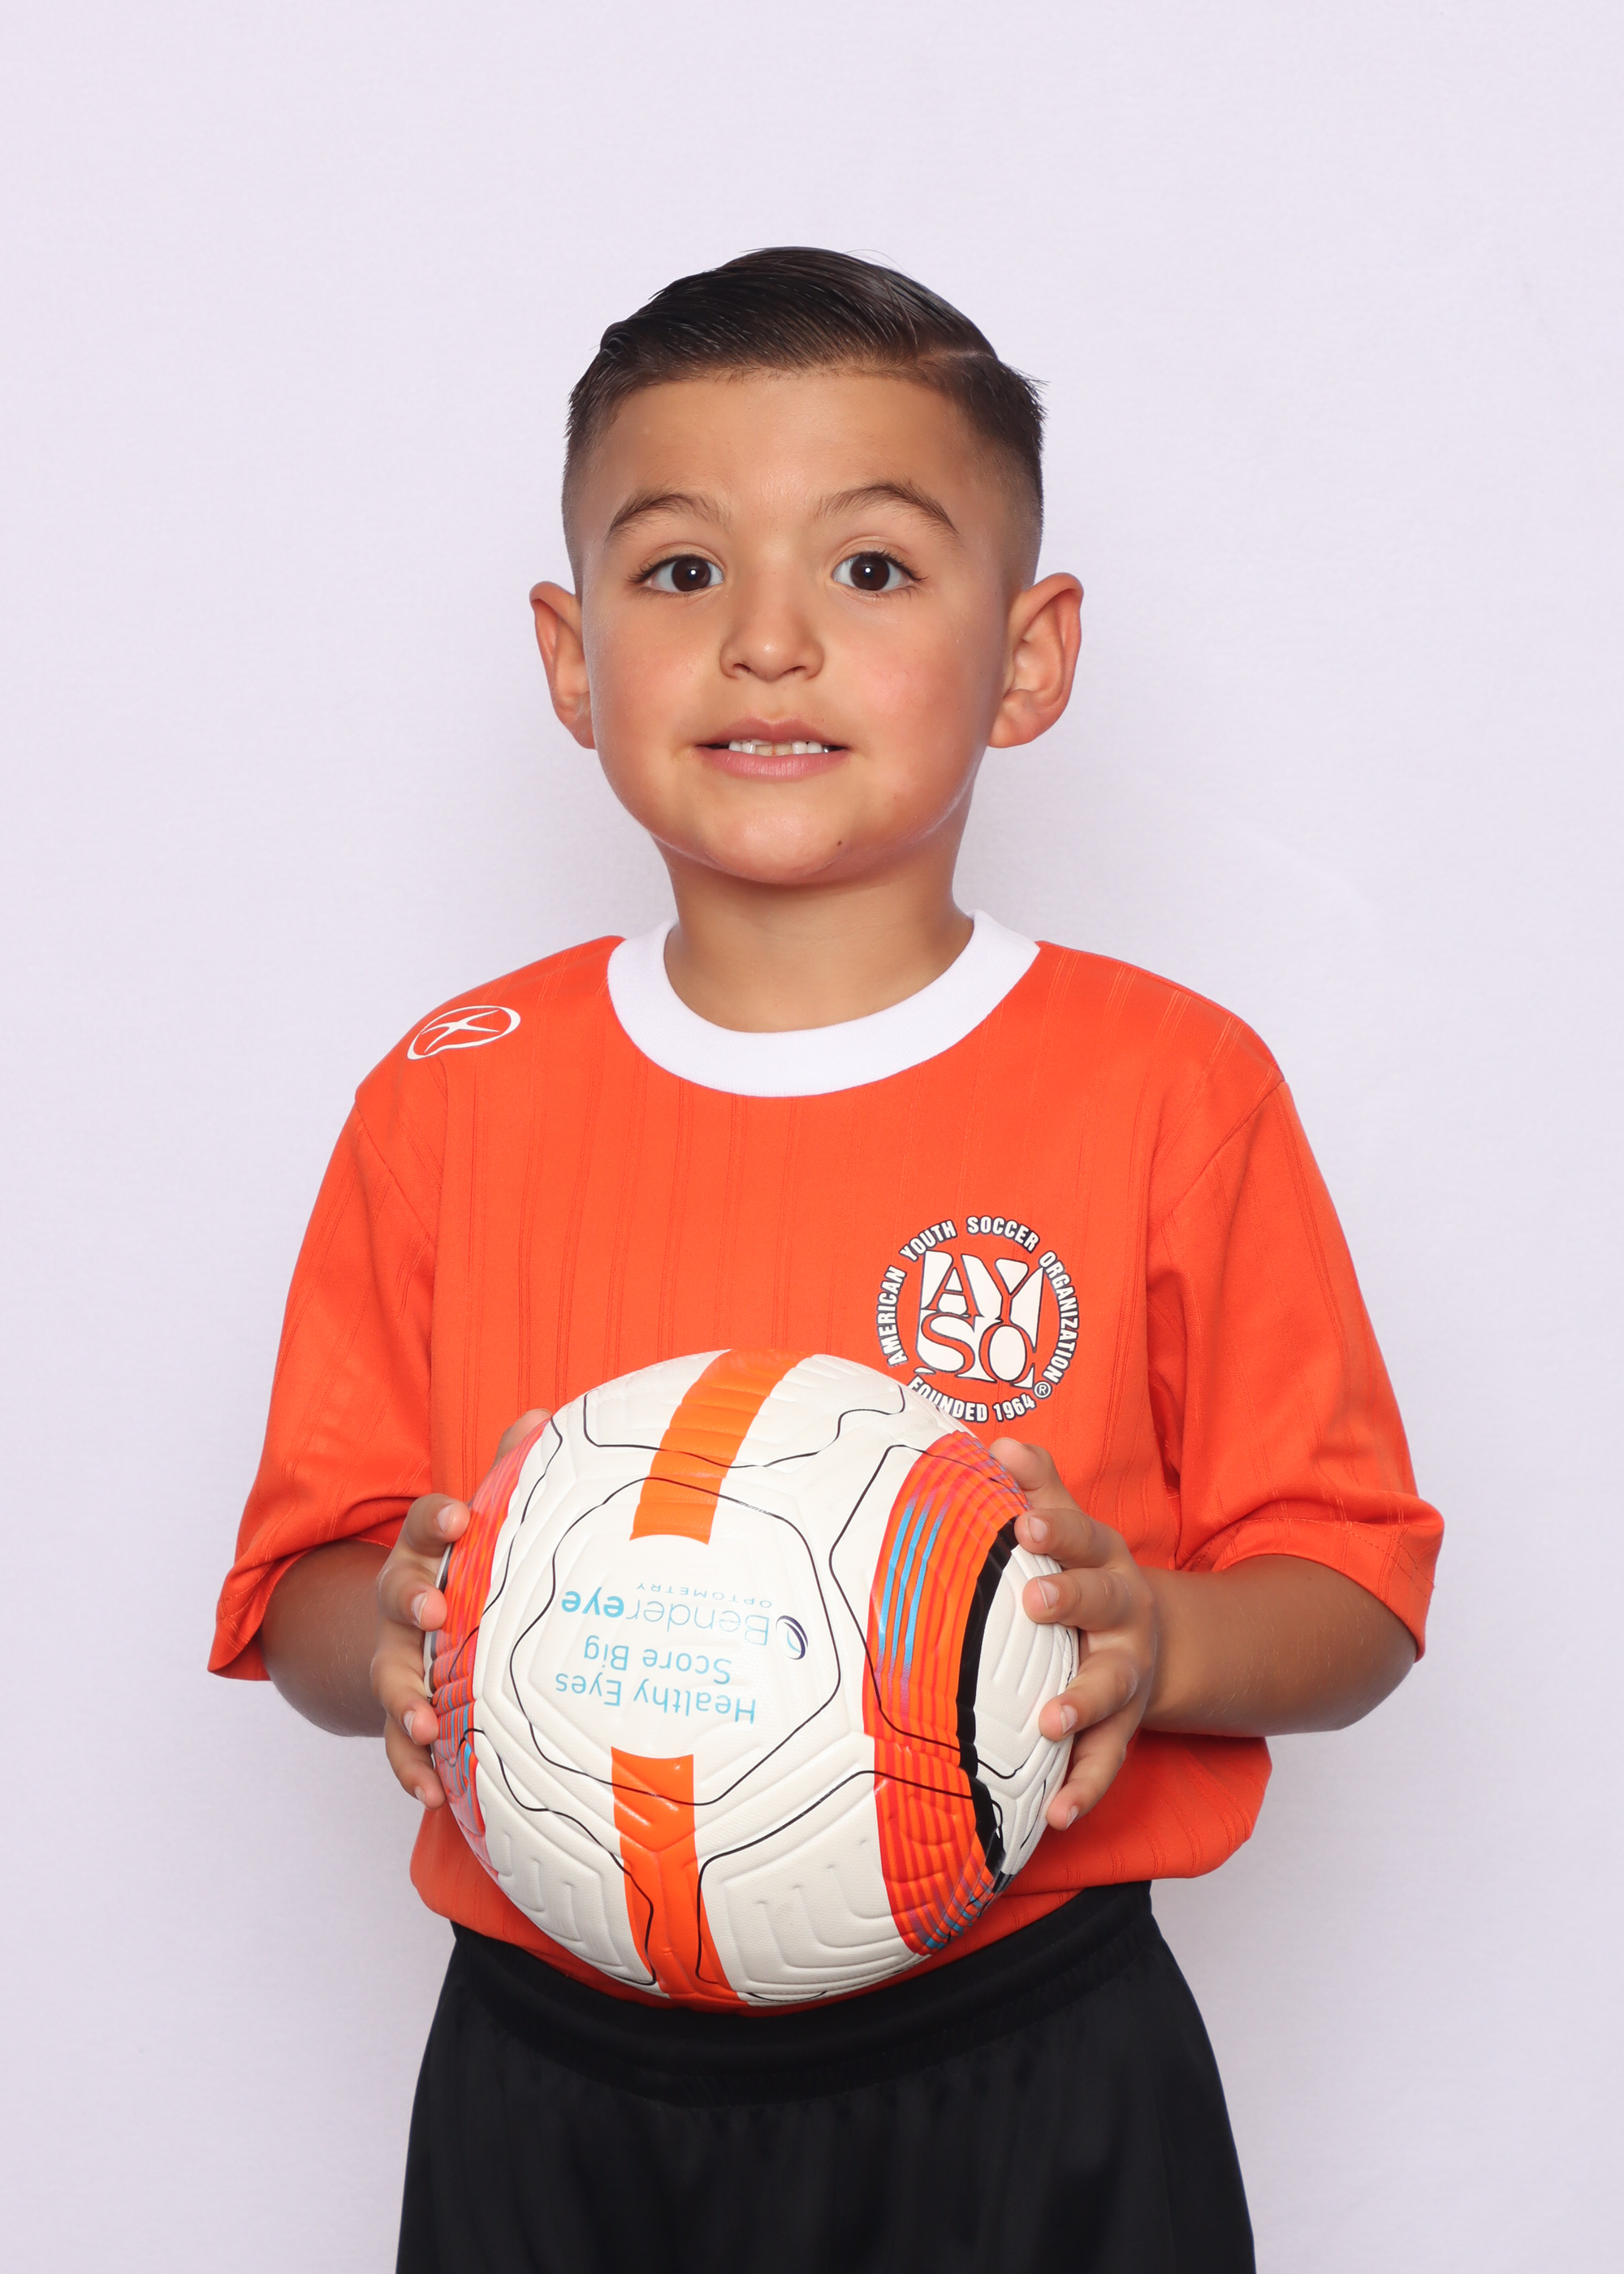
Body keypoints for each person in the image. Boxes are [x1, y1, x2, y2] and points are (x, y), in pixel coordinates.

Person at [209, 248, 1442, 2273]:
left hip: (1029, 2059)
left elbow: (1356, 1591)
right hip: (553, 2074)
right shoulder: (452, 1093)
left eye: (871, 568)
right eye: (680, 568)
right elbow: (307, 1588)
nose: (766, 640)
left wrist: (1158, 1640)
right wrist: (397, 1634)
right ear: (570, 656)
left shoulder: (1168, 1086)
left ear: (1028, 657)